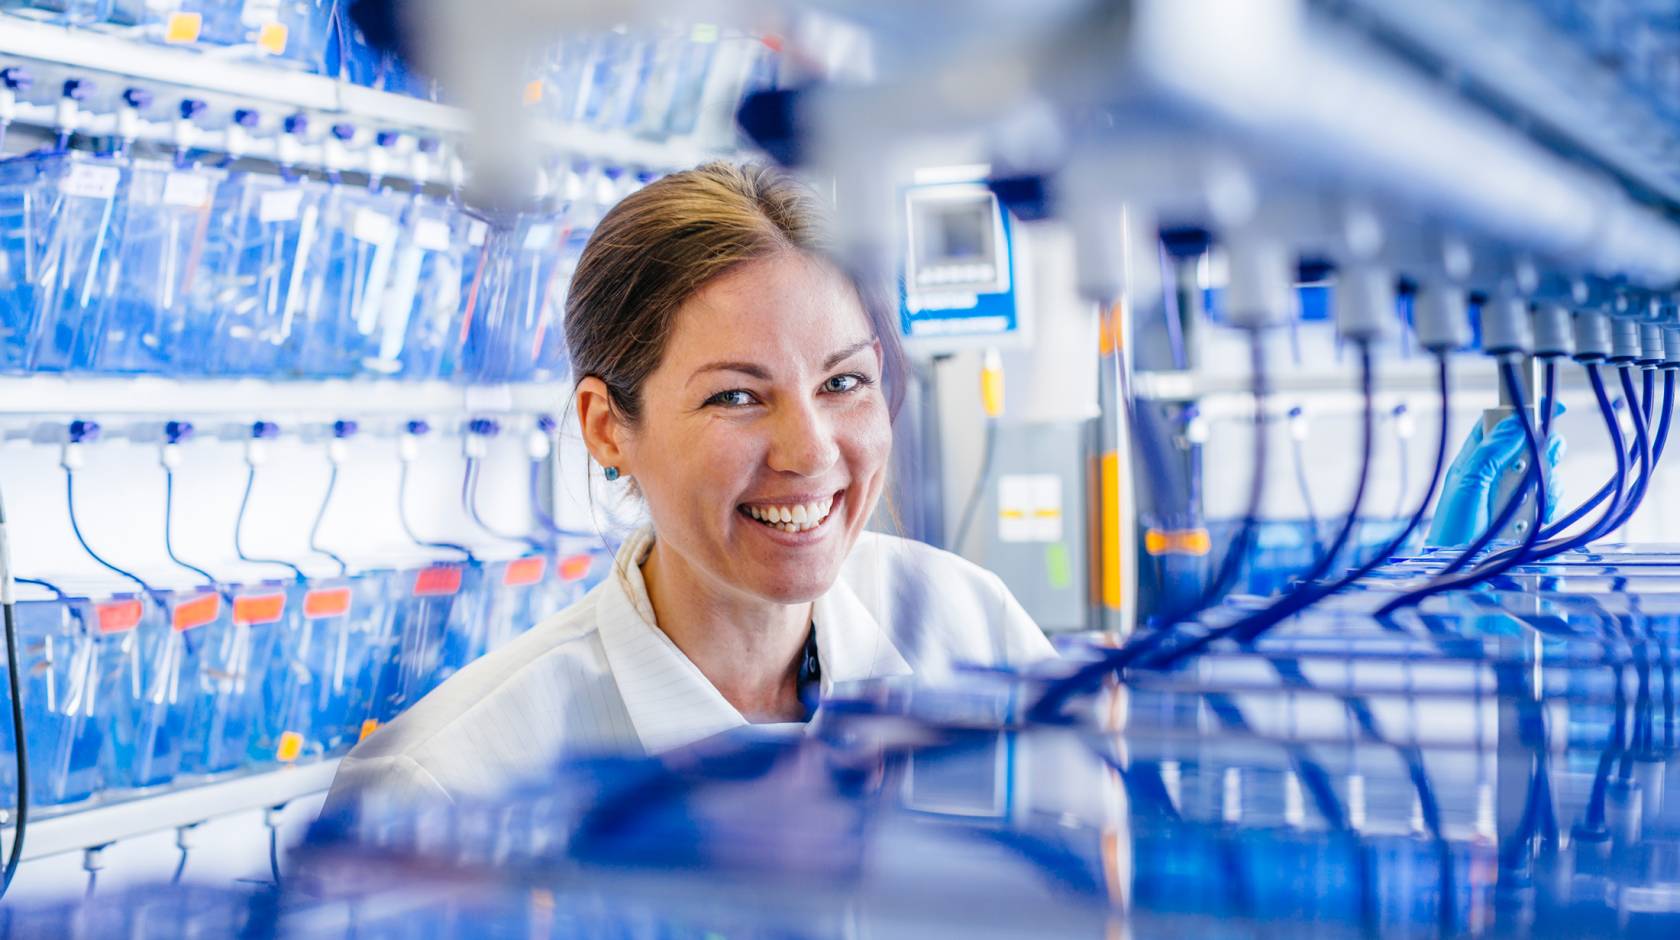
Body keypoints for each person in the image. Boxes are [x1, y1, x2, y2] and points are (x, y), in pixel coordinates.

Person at [324, 161, 1054, 809]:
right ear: (607, 427)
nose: (808, 452)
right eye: (735, 396)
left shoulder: (969, 632)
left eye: (844, 381)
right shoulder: (442, 787)